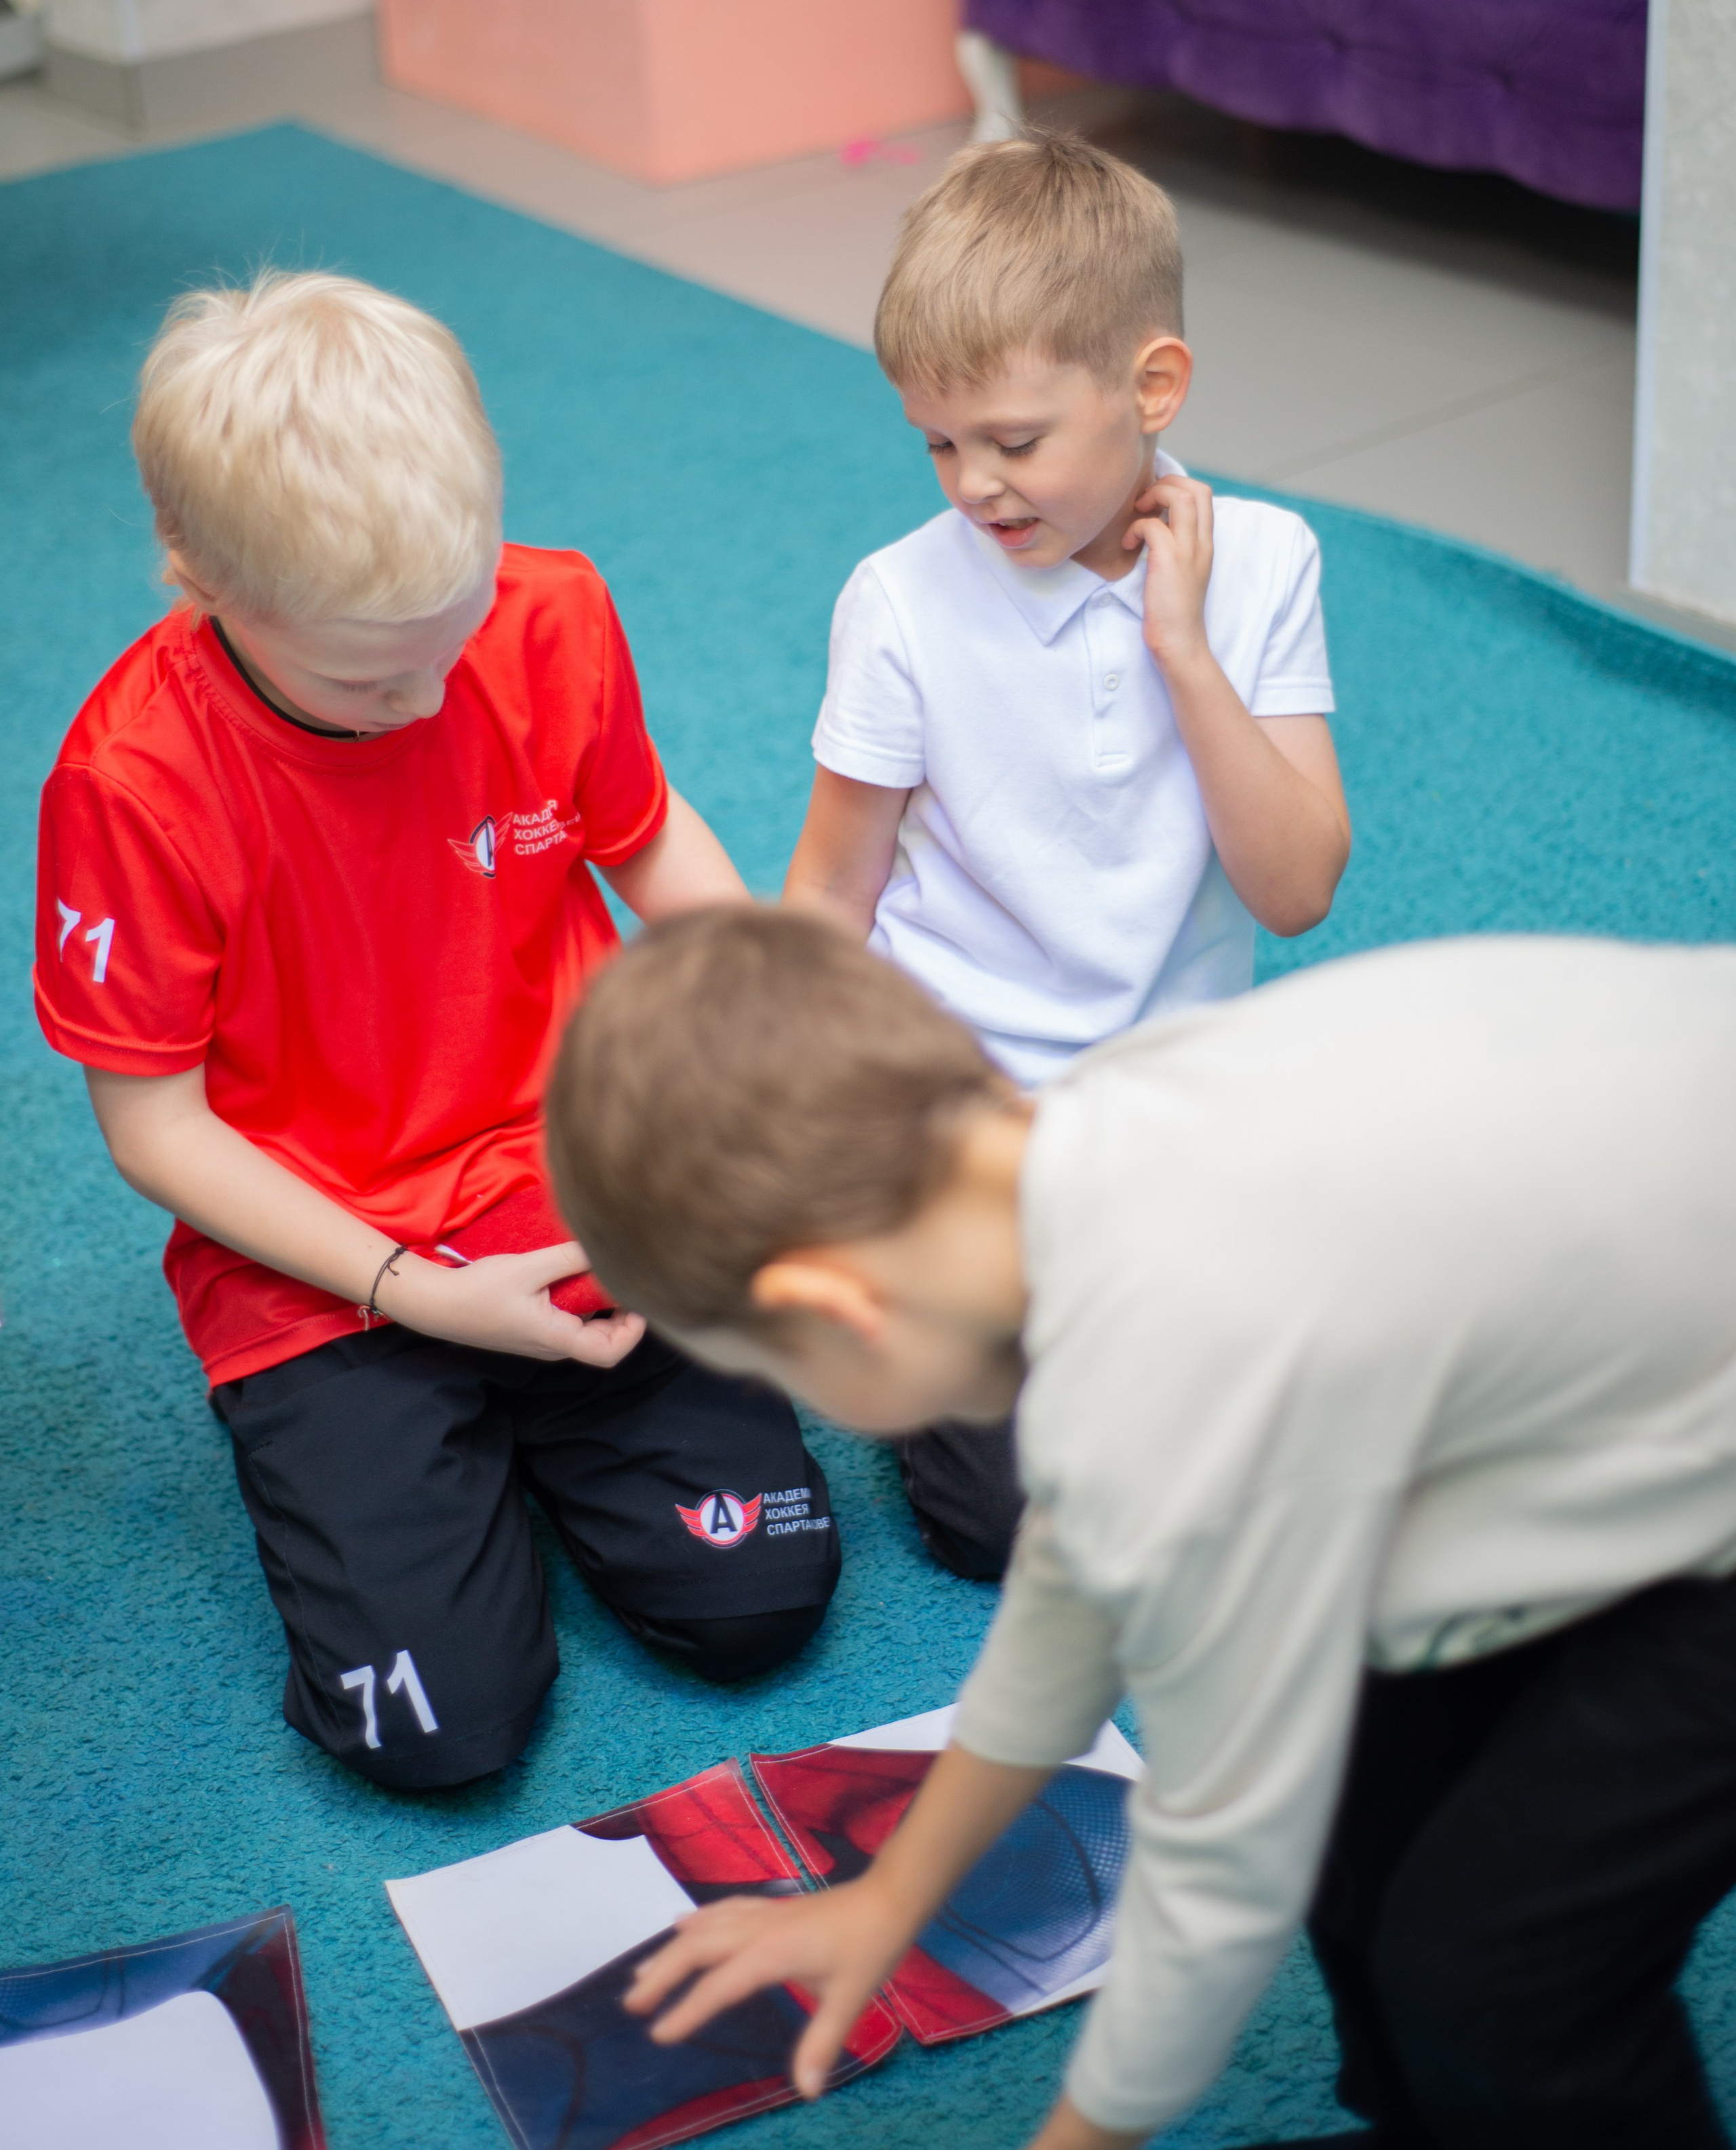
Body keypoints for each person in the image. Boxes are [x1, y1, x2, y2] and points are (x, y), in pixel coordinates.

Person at [545, 906, 1736, 2150]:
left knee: (1502, 1983)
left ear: (836, 1312)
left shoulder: (1182, 1377)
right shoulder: (1085, 1134)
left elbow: (1224, 1863)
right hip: (1645, 1292)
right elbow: (1083, 1565)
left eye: (780, 1375)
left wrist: (1084, 2138)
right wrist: (892, 1895)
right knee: (1368, 1822)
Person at [33, 275, 840, 1791]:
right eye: (362, 671)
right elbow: (153, 1126)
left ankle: (518, 1430)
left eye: (451, 638)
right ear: (196, 574)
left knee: (757, 1596)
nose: (420, 702)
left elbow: (645, 833)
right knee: (436, 1732)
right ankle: (421, 1443)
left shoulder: (552, 611)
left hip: (574, 1186)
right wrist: (415, 1292)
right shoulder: (134, 780)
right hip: (327, 1265)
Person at [784, 132, 1349, 1581]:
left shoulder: (1266, 562)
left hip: (1172, 1110)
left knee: (1290, 1435)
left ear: (1152, 388)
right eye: (937, 444)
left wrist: (1183, 650)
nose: (974, 486)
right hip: (960, 1115)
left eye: (1015, 441)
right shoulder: (900, 601)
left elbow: (1294, 890)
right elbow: (834, 886)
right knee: (1009, 1524)